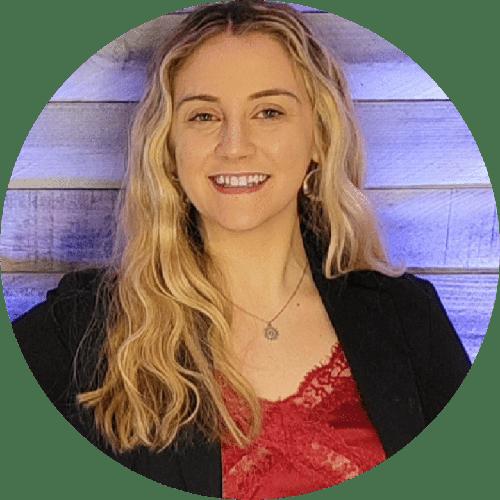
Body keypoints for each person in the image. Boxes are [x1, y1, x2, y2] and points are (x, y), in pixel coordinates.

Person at [11, 1, 471, 498]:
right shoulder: (86, 329)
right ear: (168, 147)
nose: (234, 145)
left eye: (269, 112)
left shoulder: (407, 318)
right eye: (204, 115)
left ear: (319, 136)